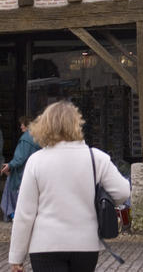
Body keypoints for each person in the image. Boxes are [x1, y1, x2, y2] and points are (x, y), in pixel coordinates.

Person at [8, 101, 130, 272]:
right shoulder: (96, 158)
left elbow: (25, 213)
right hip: (85, 243)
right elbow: (123, 191)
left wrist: (16, 257)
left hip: (45, 244)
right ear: (77, 124)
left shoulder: (36, 161)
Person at [1, 116, 40, 221]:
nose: (20, 126)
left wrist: (10, 165)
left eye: (22, 124)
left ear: (28, 125)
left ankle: (13, 214)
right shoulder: (37, 137)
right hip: (33, 170)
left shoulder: (26, 138)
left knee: (11, 189)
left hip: (22, 172)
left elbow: (20, 158)